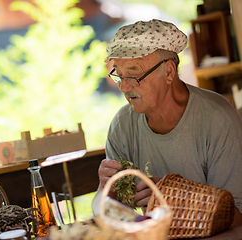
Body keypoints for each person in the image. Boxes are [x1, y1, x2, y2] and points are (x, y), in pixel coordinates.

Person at [92, 19, 242, 225]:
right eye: (119, 74)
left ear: (169, 72)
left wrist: (181, 199)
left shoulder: (216, 118)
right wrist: (106, 190)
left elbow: (238, 218)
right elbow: (114, 217)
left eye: (134, 74)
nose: (124, 87)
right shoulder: (122, 125)